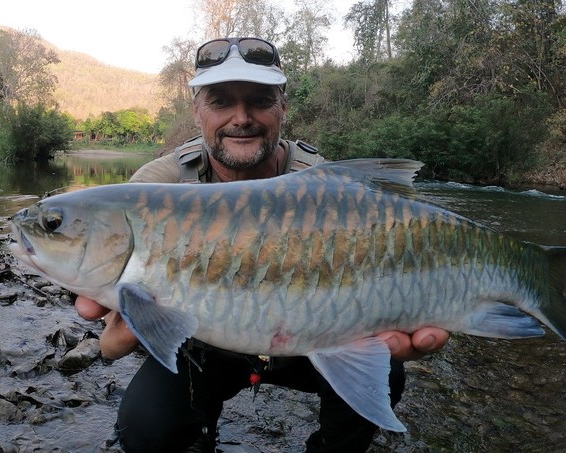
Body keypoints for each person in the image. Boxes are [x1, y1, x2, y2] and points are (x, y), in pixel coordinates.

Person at [75, 37, 450, 452]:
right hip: (206, 347)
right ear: (197, 112)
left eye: (259, 101)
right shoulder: (153, 188)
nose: (241, 118)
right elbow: (113, 333)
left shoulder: (322, 185)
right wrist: (118, 331)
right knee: (145, 429)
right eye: (220, 102)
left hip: (306, 339)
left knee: (389, 365)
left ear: (283, 108)